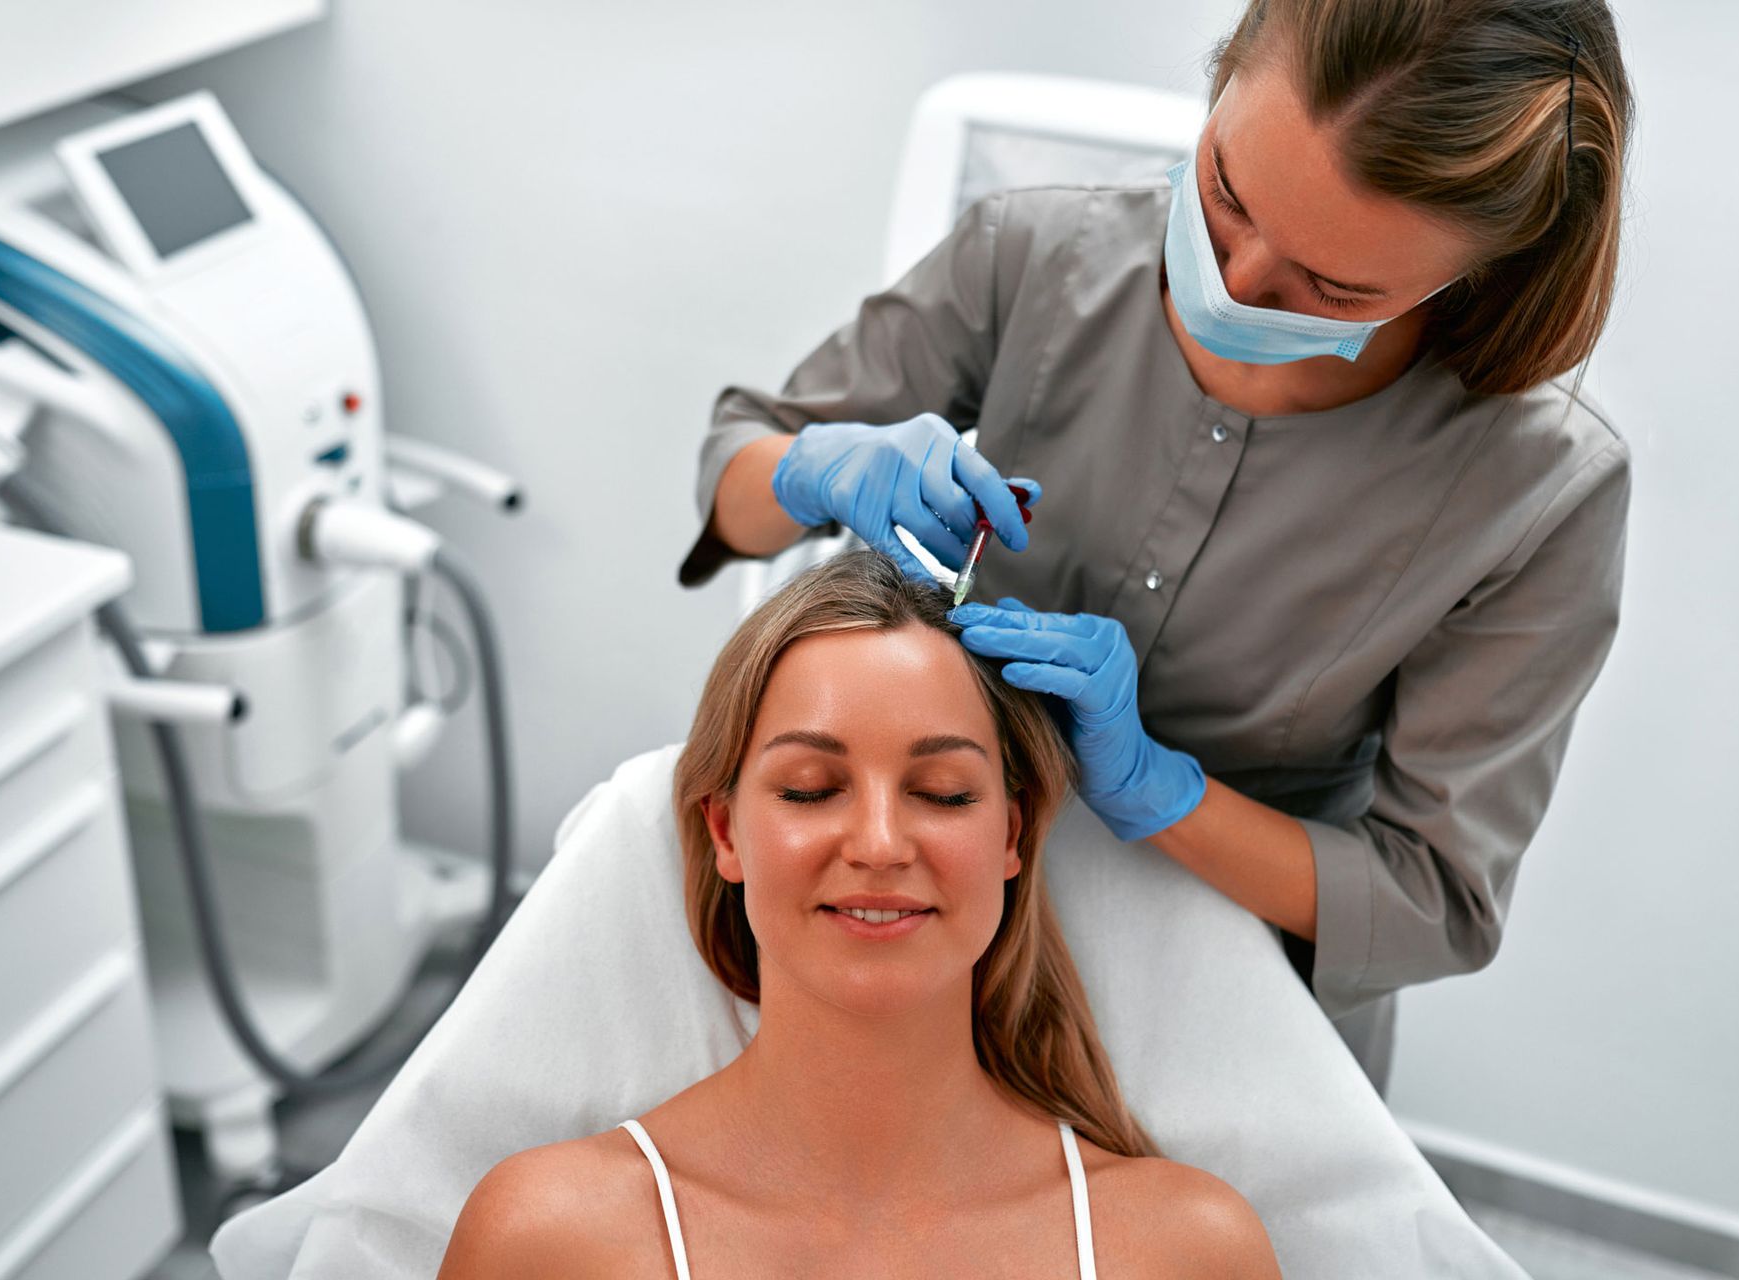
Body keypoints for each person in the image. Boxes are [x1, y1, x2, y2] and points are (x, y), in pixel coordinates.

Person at [680, 0, 1635, 1086]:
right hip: (951, 908)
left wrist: (1161, 790)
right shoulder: (1035, 254)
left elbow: (1436, 904)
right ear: (1221, 78)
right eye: (1229, 192)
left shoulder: (1540, 489)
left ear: (1485, 271)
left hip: (1226, 976)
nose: (1236, 277)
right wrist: (814, 467)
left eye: (1333, 287)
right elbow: (737, 487)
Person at [438, 550, 1280, 1277]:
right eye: (812, 788)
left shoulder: (1185, 1252)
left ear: (1011, 836)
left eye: (941, 794)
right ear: (726, 832)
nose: (879, 844)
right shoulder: (552, 1240)